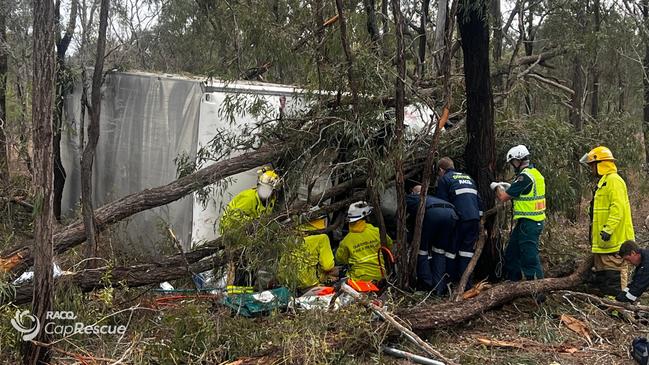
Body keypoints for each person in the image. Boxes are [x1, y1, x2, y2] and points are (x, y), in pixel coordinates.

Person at [580, 146, 635, 295]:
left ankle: (618, 308)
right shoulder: (603, 182)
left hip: (614, 240)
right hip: (604, 242)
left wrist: (608, 230)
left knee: (614, 274)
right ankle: (608, 305)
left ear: (601, 164)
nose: (591, 169)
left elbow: (618, 208)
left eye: (592, 165)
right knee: (604, 275)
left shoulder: (614, 181)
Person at [491, 144, 545, 281]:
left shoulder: (524, 177)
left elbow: (503, 197)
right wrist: (512, 188)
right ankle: (513, 284)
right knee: (512, 253)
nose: (512, 166)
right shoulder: (534, 173)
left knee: (529, 256)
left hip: (530, 223)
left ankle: (537, 289)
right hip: (526, 222)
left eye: (512, 162)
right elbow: (524, 193)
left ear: (518, 160)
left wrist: (497, 187)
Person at [436, 157, 481, 287]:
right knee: (467, 252)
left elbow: (442, 204)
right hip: (474, 219)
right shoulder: (468, 178)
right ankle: (467, 284)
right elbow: (478, 200)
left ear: (441, 169)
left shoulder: (444, 179)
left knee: (451, 251)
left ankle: (449, 283)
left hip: (458, 219)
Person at [406, 185, 458, 294]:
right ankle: (439, 288)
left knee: (421, 249)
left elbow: (399, 214)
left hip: (433, 214)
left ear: (413, 192)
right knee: (439, 251)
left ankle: (427, 285)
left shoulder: (413, 197)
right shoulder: (433, 198)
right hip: (451, 213)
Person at [278, 208, 336, 292]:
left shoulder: (291, 237)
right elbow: (328, 266)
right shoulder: (322, 238)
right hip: (311, 284)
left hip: (290, 285)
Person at [335, 201, 393, 282]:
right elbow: (389, 245)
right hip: (380, 275)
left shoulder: (346, 240)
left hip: (358, 280)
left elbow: (340, 259)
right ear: (367, 217)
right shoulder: (377, 232)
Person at [219, 167, 281, 234]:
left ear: (274, 191)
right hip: (229, 230)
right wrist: (253, 222)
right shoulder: (249, 198)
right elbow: (234, 215)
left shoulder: (271, 200)